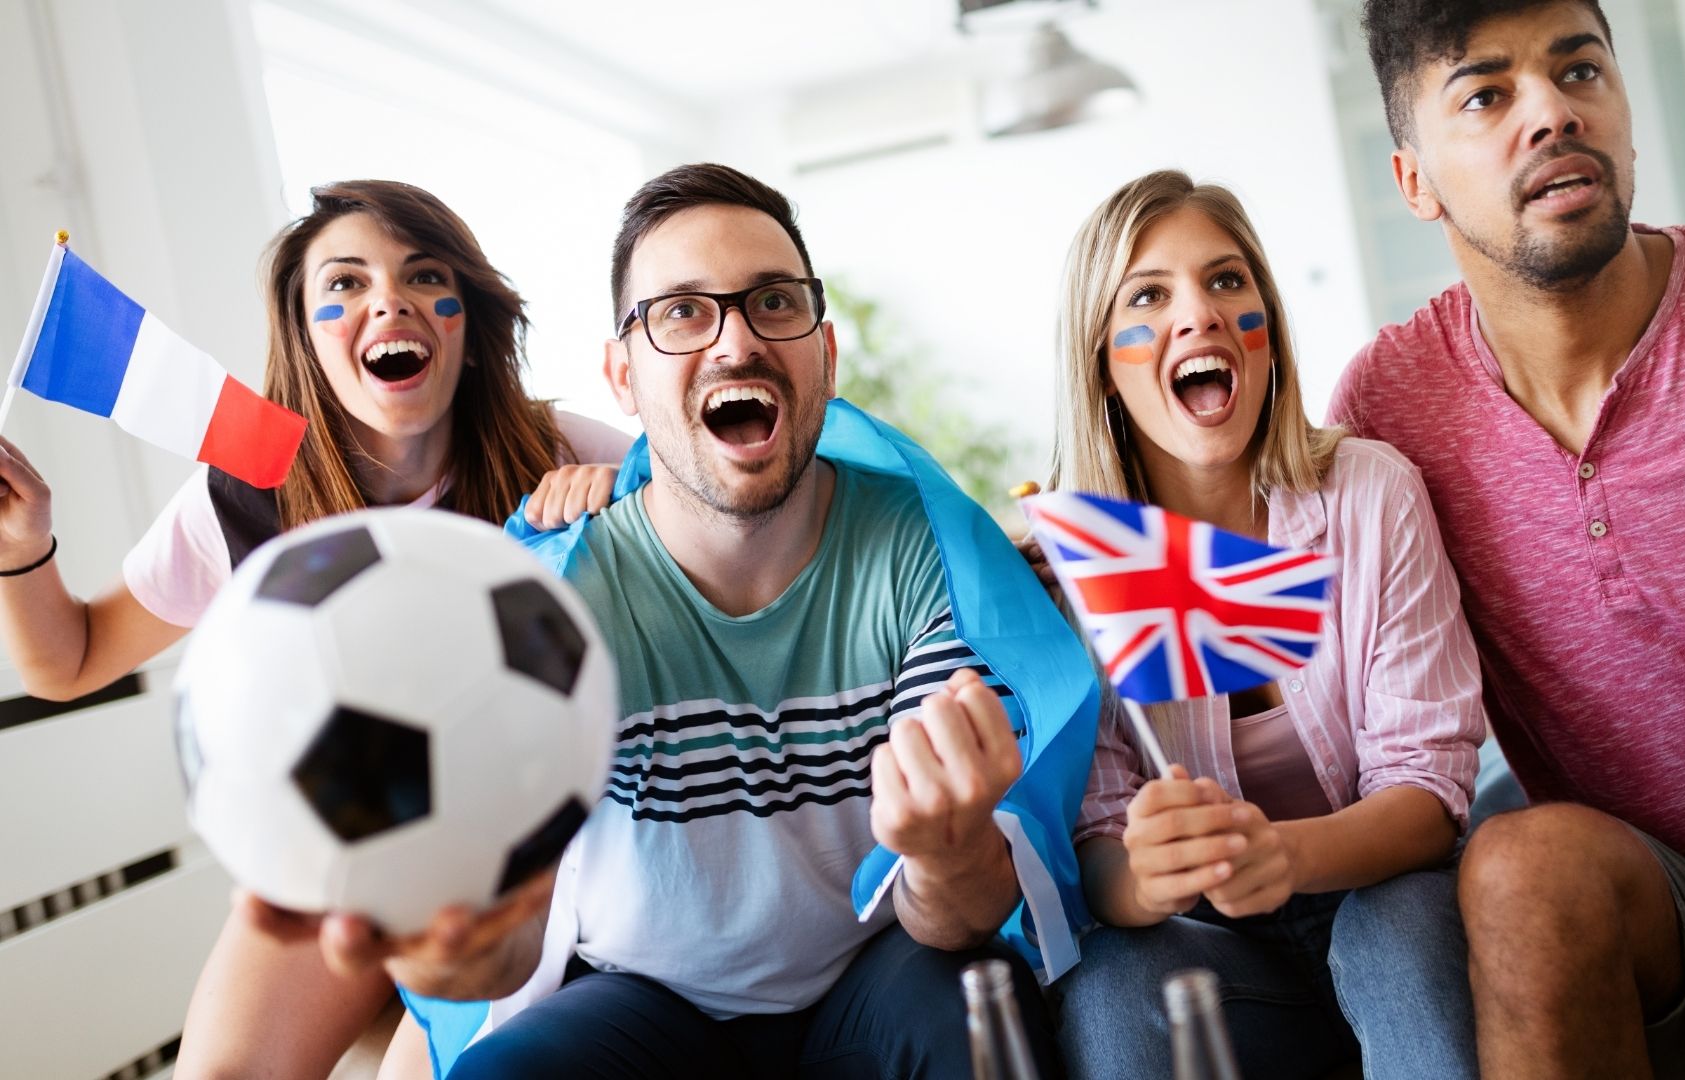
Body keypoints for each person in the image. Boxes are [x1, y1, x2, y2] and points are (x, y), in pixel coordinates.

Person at [315, 163, 1098, 1080]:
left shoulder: (927, 554)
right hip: (639, 1004)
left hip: (877, 977)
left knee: (979, 1016)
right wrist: (454, 948)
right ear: (623, 377)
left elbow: (954, 917)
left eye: (772, 301)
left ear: (825, 354)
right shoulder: (555, 606)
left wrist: (944, 852)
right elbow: (512, 945)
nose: (735, 342)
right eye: (682, 312)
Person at [1332, 2, 1685, 1076]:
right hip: (1670, 915)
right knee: (1520, 867)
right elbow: (1307, 626)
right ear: (1414, 180)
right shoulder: (1386, 409)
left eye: (1581, 70)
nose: (1553, 113)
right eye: (1488, 94)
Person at [0, 179, 632, 1079]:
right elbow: (71, 662)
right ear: (305, 336)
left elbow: (724, 521)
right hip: (335, 844)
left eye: (424, 275)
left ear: (465, 322)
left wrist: (633, 500)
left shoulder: (557, 453)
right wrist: (21, 548)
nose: (387, 300)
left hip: (524, 856)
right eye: (344, 283)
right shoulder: (245, 495)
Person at [1036, 170, 1486, 1079]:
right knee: (1116, 986)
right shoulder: (1074, 569)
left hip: (1387, 908)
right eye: (1149, 296)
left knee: (1390, 928)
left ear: (1268, 329)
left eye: (1228, 281)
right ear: (1101, 360)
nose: (1199, 313)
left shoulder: (1370, 491)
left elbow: (1429, 795)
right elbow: (1101, 850)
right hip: (1225, 958)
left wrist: (1279, 854)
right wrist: (1148, 878)